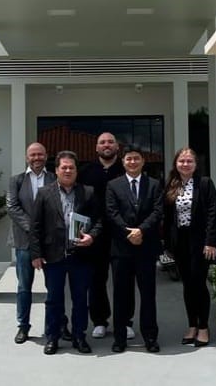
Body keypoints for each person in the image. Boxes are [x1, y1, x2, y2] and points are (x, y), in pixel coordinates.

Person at [30, 150, 102, 355]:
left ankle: (79, 336)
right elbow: (36, 226)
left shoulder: (88, 192)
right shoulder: (44, 193)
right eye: (64, 167)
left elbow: (98, 221)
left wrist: (92, 237)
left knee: (80, 299)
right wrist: (36, 254)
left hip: (81, 256)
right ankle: (52, 337)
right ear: (57, 170)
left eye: (71, 167)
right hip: (53, 256)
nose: (68, 170)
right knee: (53, 299)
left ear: (76, 170)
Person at [78, 132, 135, 340]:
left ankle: (125, 321)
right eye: (102, 142)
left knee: (124, 280)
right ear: (96, 148)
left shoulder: (125, 170)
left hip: (121, 233)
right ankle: (100, 320)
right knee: (96, 280)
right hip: (95, 235)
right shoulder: (86, 172)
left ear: (117, 147)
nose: (106, 145)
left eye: (110, 141)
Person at [106, 144, 163, 353]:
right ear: (123, 162)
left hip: (146, 248)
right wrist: (129, 233)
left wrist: (141, 231)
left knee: (148, 295)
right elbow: (111, 213)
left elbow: (158, 211)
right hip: (121, 249)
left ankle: (150, 337)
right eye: (129, 158)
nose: (132, 162)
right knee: (121, 295)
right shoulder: (113, 185)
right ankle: (120, 338)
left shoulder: (154, 184)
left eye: (136, 158)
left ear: (143, 161)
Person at [162, 147, 216, 347]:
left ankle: (203, 327)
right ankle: (192, 325)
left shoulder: (204, 183)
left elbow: (212, 213)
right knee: (187, 285)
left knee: (199, 284)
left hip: (200, 241)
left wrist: (210, 241)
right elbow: (167, 217)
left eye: (189, 161)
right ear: (176, 164)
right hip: (180, 242)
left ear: (195, 165)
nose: (185, 164)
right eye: (181, 161)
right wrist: (166, 243)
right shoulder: (171, 184)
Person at [6, 142, 56, 344]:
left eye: (40, 154)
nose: (37, 158)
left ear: (46, 156)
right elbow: (12, 207)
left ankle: (56, 325)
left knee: (54, 287)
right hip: (24, 242)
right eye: (33, 155)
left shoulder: (54, 178)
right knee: (24, 287)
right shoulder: (16, 180)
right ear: (27, 157)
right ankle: (23, 327)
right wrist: (34, 228)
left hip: (50, 242)